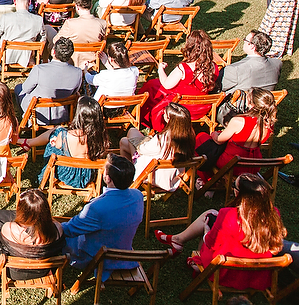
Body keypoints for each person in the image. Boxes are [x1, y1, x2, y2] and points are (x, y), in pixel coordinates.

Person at [155, 174, 285, 292]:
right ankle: (178, 240)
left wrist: (207, 231)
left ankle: (189, 253)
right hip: (256, 273)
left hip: (225, 270)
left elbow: (211, 243)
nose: (233, 187)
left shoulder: (229, 215)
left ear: (240, 194)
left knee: (207, 221)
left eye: (235, 185)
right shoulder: (274, 214)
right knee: (211, 215)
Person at [61, 155, 144, 277]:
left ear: (108, 178)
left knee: (58, 236)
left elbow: (69, 230)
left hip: (97, 257)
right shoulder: (138, 196)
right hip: (124, 253)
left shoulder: (96, 208)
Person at [140, 29, 221, 131]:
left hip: (180, 106)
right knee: (153, 84)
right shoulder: (213, 66)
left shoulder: (183, 68)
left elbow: (166, 85)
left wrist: (160, 69)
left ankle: (147, 119)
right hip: (200, 107)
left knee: (151, 86)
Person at [20, 97, 109, 189]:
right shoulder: (101, 135)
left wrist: (54, 142)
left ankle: (42, 176)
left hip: (68, 175)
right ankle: (29, 143)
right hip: (88, 175)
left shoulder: (66, 135)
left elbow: (58, 145)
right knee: (58, 131)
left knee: (53, 141)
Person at [195, 88, 276, 183]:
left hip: (233, 162)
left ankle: (208, 181)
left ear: (252, 105)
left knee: (201, 138)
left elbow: (219, 140)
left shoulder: (239, 121)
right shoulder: (269, 124)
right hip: (253, 164)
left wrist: (214, 134)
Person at [0, 189, 65, 282]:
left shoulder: (9, 229)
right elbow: (52, 223)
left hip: (14, 272)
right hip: (43, 270)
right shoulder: (58, 230)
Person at [119, 102, 196, 191]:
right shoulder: (190, 135)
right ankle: (125, 174)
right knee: (124, 142)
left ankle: (125, 174)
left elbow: (142, 149)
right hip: (173, 176)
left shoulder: (164, 138)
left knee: (131, 132)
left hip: (154, 176)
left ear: (168, 118)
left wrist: (148, 139)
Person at [15, 37, 83, 125]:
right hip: (62, 115)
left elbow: (26, 89)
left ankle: (26, 119)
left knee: (19, 88)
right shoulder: (78, 72)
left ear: (53, 52)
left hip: (39, 115)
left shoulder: (39, 69)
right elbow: (74, 93)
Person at [53, 0, 107, 68]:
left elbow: (56, 40)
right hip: (91, 60)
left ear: (77, 7)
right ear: (91, 6)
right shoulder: (103, 23)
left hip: (71, 60)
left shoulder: (70, 23)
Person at [0, 0, 44, 67]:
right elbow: (42, 40)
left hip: (7, 55)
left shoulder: (6, 18)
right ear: (29, 3)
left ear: (14, 2)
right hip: (27, 56)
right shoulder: (38, 20)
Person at [220, 30, 281, 94]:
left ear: (252, 46)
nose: (244, 41)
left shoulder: (234, 70)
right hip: (263, 101)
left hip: (239, 102)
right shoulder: (277, 64)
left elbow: (217, 87)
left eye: (245, 40)